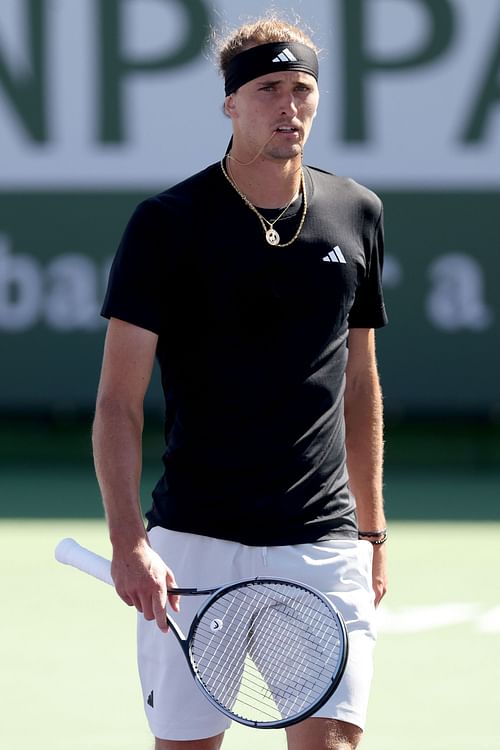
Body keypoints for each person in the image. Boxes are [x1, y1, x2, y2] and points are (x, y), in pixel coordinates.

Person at [92, 14, 388, 750]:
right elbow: (117, 405)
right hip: (193, 543)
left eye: (302, 88)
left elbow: (360, 387)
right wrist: (130, 541)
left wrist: (373, 532)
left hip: (321, 542)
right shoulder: (167, 223)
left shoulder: (357, 212)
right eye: (267, 90)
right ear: (229, 103)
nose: (289, 107)